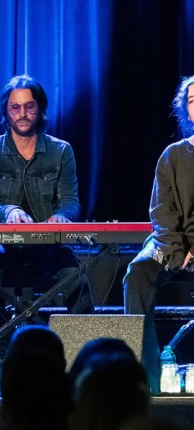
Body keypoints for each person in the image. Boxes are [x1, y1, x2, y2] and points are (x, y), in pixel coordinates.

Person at [0, 74, 94, 368]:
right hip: (0, 242)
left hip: (46, 243)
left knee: (74, 273)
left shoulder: (60, 150)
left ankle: (89, 351)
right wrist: (7, 212)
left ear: (40, 108)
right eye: (15, 108)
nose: (23, 114)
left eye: (29, 106)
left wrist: (62, 216)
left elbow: (71, 201)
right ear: (6, 111)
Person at [124, 75, 194, 393]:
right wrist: (178, 252)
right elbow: (161, 215)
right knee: (137, 272)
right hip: (171, 243)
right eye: (192, 100)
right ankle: (144, 379)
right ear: (186, 110)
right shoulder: (172, 155)